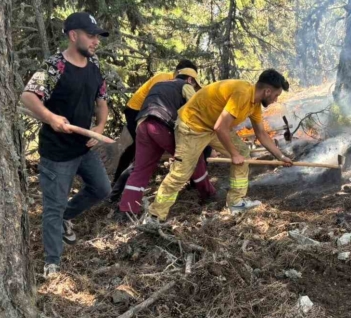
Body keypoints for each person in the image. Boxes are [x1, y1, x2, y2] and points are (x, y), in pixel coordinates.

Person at [21, 12, 111, 277]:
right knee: (53, 206)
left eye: (98, 36)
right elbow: (28, 96)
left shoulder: (95, 66)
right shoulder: (54, 66)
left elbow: (102, 101)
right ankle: (52, 263)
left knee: (102, 189)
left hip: (84, 148)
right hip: (57, 153)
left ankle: (66, 217)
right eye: (91, 35)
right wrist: (50, 118)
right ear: (74, 36)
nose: (96, 41)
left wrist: (99, 128)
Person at [143, 69, 293, 228]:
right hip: (192, 127)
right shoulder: (242, 93)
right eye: (276, 95)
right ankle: (155, 215)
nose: (275, 99)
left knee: (243, 151)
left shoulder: (254, 104)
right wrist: (233, 154)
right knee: (181, 172)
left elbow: (261, 134)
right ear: (267, 91)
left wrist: (280, 157)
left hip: (211, 127)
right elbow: (221, 127)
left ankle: (236, 202)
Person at [118, 69, 216, 215]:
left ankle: (127, 209)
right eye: (195, 85)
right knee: (194, 157)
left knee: (141, 169)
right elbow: (197, 108)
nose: (195, 88)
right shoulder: (185, 85)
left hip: (143, 124)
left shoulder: (161, 84)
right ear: (190, 80)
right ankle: (208, 194)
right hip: (162, 124)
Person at [109, 59, 199, 200]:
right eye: (192, 81)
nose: (192, 85)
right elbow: (158, 101)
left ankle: (118, 189)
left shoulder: (177, 82)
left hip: (151, 114)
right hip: (138, 111)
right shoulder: (164, 78)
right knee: (137, 153)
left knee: (139, 152)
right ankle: (116, 188)